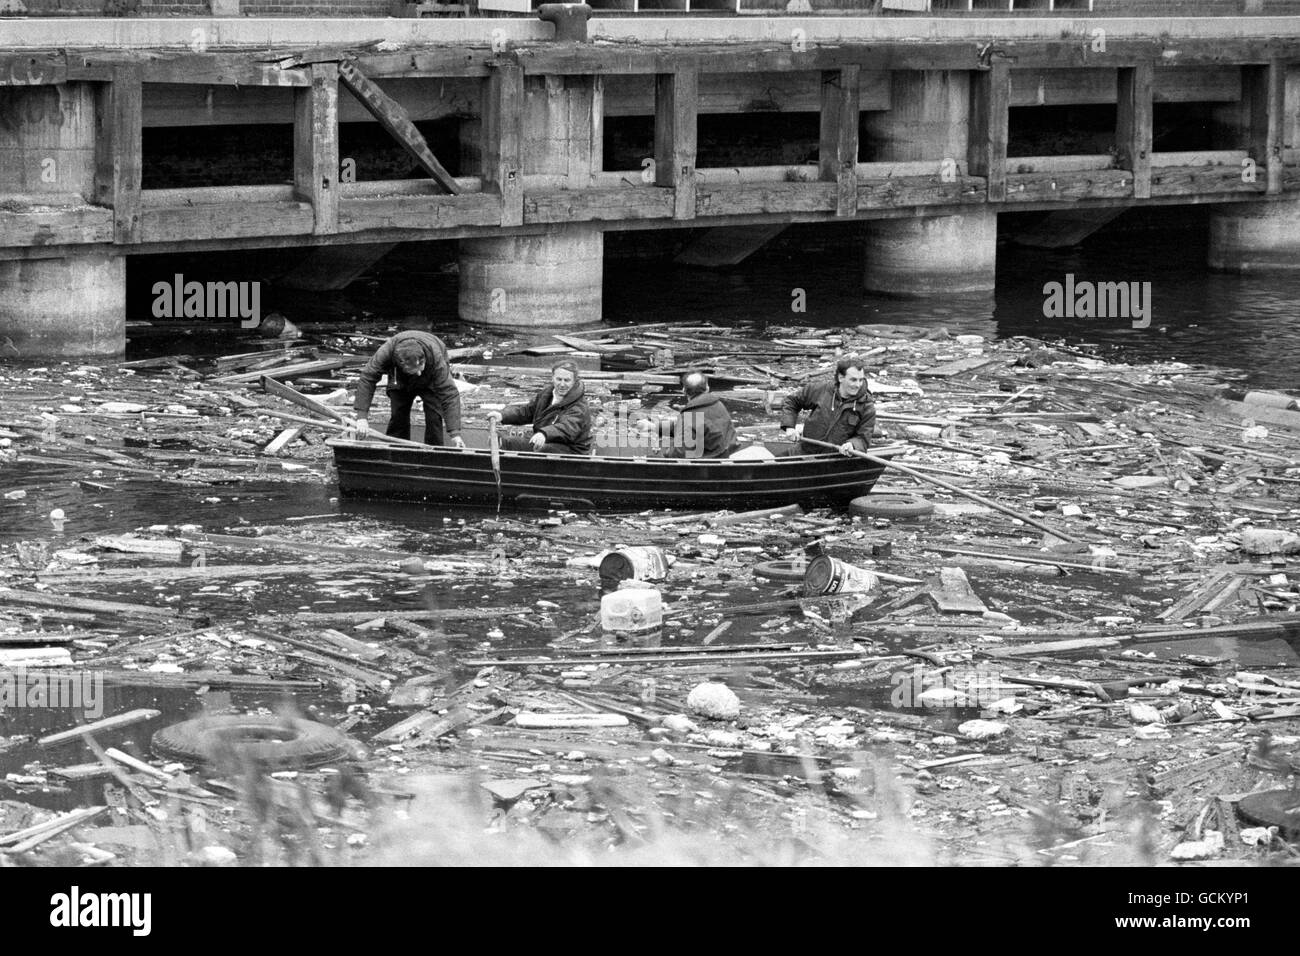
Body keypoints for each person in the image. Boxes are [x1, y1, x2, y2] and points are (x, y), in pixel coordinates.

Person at [350, 330, 465, 448]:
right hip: (400, 378)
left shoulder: (436, 358)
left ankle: (434, 453)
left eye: (421, 367)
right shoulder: (387, 352)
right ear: (401, 364)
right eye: (415, 371)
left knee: (434, 416)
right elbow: (368, 377)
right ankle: (397, 450)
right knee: (398, 414)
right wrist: (362, 418)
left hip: (430, 376)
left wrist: (455, 434)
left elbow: (449, 393)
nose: (419, 374)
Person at [487, 360, 593, 455]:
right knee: (501, 438)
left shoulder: (579, 406)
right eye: (559, 379)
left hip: (571, 450)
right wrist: (502, 416)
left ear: (574, 381)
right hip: (548, 441)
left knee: (518, 444)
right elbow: (526, 412)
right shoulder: (545, 395)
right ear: (553, 378)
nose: (562, 384)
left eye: (567, 380)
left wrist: (544, 434)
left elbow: (567, 428)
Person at [779, 355, 875, 456]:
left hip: (835, 460)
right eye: (853, 380)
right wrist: (789, 427)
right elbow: (791, 401)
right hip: (804, 452)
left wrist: (853, 445)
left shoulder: (867, 406)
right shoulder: (821, 390)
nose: (858, 385)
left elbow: (863, 438)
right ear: (841, 377)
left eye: (861, 380)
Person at [659, 372, 738, 459]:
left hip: (706, 464)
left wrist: (666, 452)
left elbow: (680, 454)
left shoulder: (690, 416)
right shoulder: (718, 404)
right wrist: (656, 427)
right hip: (725, 454)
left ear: (684, 391)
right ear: (707, 388)